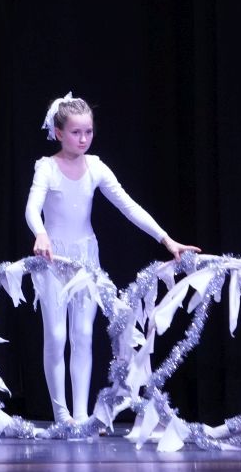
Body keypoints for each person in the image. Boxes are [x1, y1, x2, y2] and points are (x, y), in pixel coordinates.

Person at [23, 92, 195, 424]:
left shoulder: (96, 167)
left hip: (86, 258)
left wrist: (166, 238)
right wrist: (40, 233)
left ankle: (81, 413)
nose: (83, 138)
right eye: (76, 132)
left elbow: (129, 206)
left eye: (88, 131)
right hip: (53, 258)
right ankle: (61, 414)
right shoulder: (47, 168)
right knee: (56, 335)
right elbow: (32, 208)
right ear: (58, 133)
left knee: (83, 335)